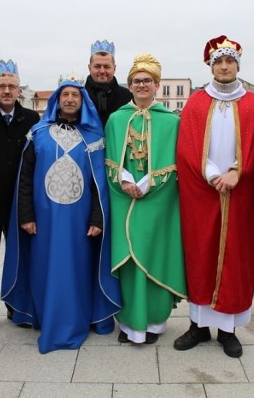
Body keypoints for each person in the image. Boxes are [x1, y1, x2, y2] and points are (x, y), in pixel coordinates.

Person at [0, 80, 121, 354]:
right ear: (57, 100)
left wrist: (96, 219)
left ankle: (81, 317)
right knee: (45, 267)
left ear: (82, 101)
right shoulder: (38, 133)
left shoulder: (93, 136)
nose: (69, 99)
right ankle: (45, 317)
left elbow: (97, 184)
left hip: (79, 224)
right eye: (64, 94)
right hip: (43, 222)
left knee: (76, 269)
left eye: (74, 95)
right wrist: (26, 215)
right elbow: (25, 179)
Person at [174, 35, 254, 357]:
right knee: (200, 254)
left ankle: (228, 329)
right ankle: (198, 325)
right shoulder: (197, 103)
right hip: (203, 191)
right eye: (219, 62)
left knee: (237, 257)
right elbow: (186, 147)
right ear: (210, 66)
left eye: (229, 62)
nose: (224, 67)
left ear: (238, 66)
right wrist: (213, 174)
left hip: (243, 192)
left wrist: (239, 170)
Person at [105, 53, 187, 345]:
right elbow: (111, 159)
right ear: (129, 85)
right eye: (136, 81)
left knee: (154, 255)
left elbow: (175, 162)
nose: (142, 85)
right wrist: (126, 181)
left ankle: (153, 324)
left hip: (159, 201)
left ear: (157, 85)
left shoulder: (171, 121)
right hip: (124, 198)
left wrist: (149, 183)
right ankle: (130, 324)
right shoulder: (116, 119)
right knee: (129, 261)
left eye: (147, 81)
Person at [0, 60, 40, 334]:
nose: (6, 90)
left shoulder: (32, 120)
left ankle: (17, 303)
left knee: (20, 257)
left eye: (12, 86)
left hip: (19, 203)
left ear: (19, 90)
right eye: (1, 86)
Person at [85, 39, 132, 128]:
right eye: (97, 66)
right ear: (89, 67)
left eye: (106, 66)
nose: (102, 71)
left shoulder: (129, 97)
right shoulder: (80, 96)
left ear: (114, 68)